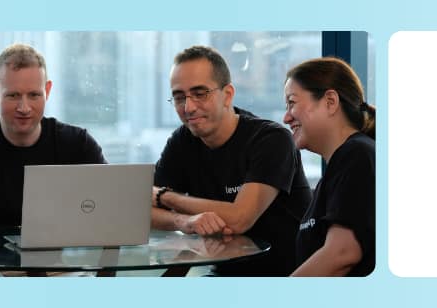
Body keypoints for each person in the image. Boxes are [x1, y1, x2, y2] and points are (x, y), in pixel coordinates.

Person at [151, 45, 312, 276]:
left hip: (285, 277)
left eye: (199, 93)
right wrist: (184, 222)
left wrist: (165, 196)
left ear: (227, 95)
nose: (188, 107)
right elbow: (142, 211)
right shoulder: (183, 141)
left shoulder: (271, 139)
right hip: (224, 274)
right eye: (179, 97)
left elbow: (239, 218)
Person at [0, 43, 106, 241]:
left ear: (48, 90)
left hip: (54, 263)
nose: (24, 107)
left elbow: (110, 198)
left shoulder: (78, 143)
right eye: (13, 95)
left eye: (34, 95)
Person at [282, 57, 375, 277]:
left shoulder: (357, 155)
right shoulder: (342, 165)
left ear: (330, 101)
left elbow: (342, 253)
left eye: (292, 103)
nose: (286, 117)